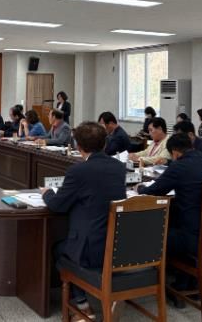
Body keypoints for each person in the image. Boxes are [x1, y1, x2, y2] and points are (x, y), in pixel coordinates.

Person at [41, 122, 126, 321]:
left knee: (59, 250)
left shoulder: (78, 170)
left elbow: (58, 206)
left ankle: (82, 306)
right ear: (104, 144)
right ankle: (111, 297)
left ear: (78, 146)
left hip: (90, 248)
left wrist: (48, 193)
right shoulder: (118, 167)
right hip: (116, 245)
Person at [137, 134, 202, 297]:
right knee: (181, 220)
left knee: (157, 233)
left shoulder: (180, 166)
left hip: (195, 241)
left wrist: (140, 188)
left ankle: (172, 282)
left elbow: (153, 192)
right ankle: (187, 280)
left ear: (175, 153)